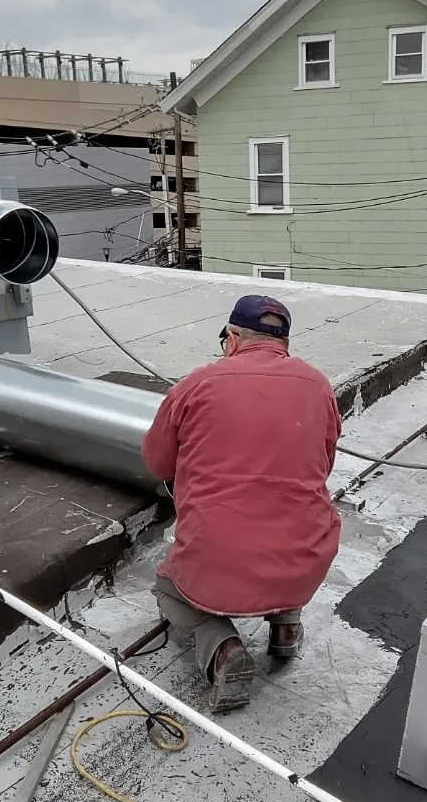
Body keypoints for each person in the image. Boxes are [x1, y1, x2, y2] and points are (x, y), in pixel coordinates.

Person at [141, 295, 342, 713]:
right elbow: (323, 465)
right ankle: (286, 626)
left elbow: (158, 462)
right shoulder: (318, 385)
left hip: (218, 561)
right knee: (292, 525)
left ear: (231, 339)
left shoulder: (195, 384)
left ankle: (222, 648)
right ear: (283, 343)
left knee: (168, 586)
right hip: (304, 562)